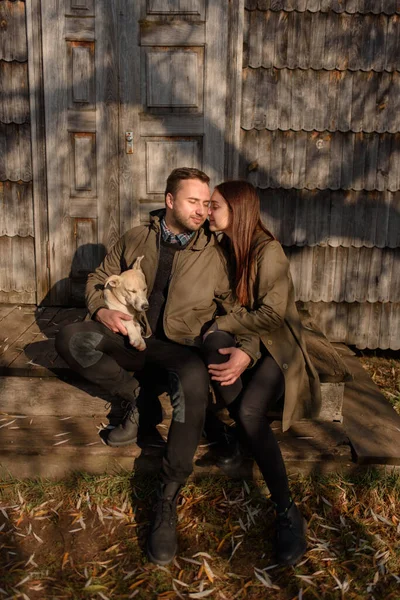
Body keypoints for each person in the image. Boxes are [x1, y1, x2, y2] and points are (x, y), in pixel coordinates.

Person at [55, 168, 259, 566]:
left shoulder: (215, 253)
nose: (202, 210)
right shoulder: (136, 237)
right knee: (71, 339)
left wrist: (247, 348)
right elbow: (99, 277)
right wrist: (100, 311)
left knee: (193, 379)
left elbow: (238, 309)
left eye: (205, 203)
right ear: (169, 201)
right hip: (132, 337)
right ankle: (135, 398)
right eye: (192, 201)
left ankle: (167, 498)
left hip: (180, 349)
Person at [202, 180, 322, 566]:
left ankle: (287, 510)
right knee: (215, 345)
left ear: (236, 211)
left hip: (278, 344)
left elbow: (271, 315)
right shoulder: (225, 247)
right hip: (253, 339)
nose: (208, 212)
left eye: (214, 205)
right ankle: (240, 438)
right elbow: (226, 299)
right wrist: (233, 339)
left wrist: (243, 347)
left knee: (251, 411)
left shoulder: (268, 252)